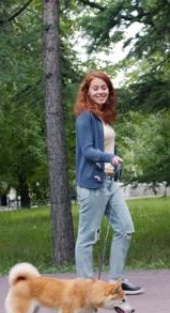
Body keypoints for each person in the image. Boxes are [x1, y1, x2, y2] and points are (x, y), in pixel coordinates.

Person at [73, 70, 143, 295]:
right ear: (87, 92)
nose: (101, 91)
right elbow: (88, 151)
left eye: (104, 87)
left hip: (108, 182)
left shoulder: (102, 117)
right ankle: (85, 285)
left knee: (125, 228)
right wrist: (108, 158)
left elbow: (106, 147)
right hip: (91, 184)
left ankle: (116, 281)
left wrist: (115, 162)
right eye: (96, 88)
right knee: (88, 236)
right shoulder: (85, 117)